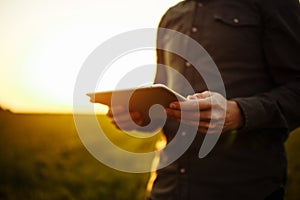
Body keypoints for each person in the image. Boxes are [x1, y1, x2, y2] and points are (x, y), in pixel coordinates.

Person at [108, 0, 300, 199]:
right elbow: (162, 100)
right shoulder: (172, 16)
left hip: (242, 188)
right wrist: (138, 117)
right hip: (167, 188)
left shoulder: (274, 4)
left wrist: (240, 113)